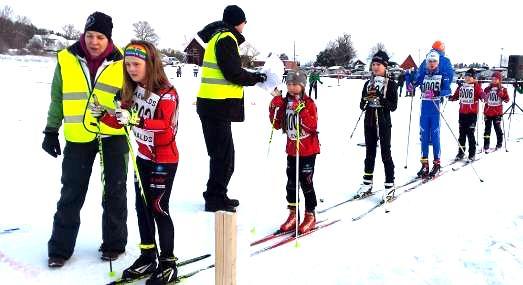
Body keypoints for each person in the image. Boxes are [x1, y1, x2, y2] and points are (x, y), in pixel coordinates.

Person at [42, 12, 128, 267]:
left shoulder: (123, 61)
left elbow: (132, 99)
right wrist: (50, 130)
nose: (94, 41)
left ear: (108, 38)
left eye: (100, 37)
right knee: (71, 192)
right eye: (90, 35)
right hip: (78, 136)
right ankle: (59, 249)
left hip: (112, 135)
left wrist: (126, 114)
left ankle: (114, 244)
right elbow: (58, 97)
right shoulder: (66, 59)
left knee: (115, 190)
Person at [101, 41, 179, 285]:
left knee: (158, 208)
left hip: (163, 159)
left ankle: (168, 263)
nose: (131, 69)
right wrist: (104, 115)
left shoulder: (167, 93)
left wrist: (135, 120)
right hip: (142, 158)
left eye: (137, 64)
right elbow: (121, 122)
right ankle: (148, 256)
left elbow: (166, 130)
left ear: (151, 64)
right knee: (142, 208)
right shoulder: (132, 90)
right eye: (128, 64)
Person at [196, 5, 267, 212]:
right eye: (244, 22)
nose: (245, 26)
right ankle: (215, 199)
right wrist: (256, 78)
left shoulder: (217, 38)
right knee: (224, 157)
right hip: (217, 106)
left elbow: (230, 69)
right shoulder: (227, 38)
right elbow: (233, 73)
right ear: (239, 22)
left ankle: (216, 194)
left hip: (212, 105)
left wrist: (251, 74)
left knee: (220, 155)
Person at [268, 70, 320, 234]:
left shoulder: (309, 102)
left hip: (308, 150)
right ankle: (293, 214)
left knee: (306, 182)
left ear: (302, 85)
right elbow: (276, 124)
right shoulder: (285, 103)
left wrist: (302, 110)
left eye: (295, 84)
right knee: (291, 184)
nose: (291, 87)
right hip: (292, 148)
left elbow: (313, 126)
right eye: (289, 84)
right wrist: (274, 107)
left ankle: (310, 214)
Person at [407, 43, 454, 178]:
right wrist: (409, 78)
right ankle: (424, 164)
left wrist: (437, 92)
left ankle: (437, 163)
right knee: (423, 137)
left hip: (435, 111)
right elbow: (412, 87)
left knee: (435, 136)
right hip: (424, 110)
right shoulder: (423, 75)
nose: (432, 63)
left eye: (434, 61)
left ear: (438, 62)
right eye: (429, 61)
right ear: (426, 63)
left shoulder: (442, 75)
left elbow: (448, 91)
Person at [356, 51, 398, 201]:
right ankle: (367, 183)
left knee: (385, 153)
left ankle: (390, 185)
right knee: (369, 153)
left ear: (385, 66)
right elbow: (362, 104)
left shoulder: (391, 84)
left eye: (378, 64)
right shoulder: (368, 83)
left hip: (384, 122)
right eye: (373, 64)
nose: (375, 67)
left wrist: (380, 97)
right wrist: (366, 101)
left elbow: (393, 106)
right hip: (369, 122)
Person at [449, 68, 483, 160]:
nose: (467, 78)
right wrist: (451, 98)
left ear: (473, 78)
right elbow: (456, 96)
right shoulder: (461, 86)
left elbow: (481, 94)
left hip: (472, 114)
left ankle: (472, 153)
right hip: (462, 113)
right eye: (466, 76)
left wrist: (484, 96)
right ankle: (461, 152)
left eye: (469, 76)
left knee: (470, 134)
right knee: (462, 134)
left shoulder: (476, 86)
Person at [482, 71, 509, 151]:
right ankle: (486, 144)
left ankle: (499, 143)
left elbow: (507, 100)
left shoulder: (503, 89)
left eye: (496, 79)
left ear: (499, 80)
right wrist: (484, 97)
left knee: (497, 128)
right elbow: (484, 98)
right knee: (487, 129)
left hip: (497, 113)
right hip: (488, 112)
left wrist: (502, 95)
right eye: (492, 79)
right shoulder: (487, 89)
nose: (494, 80)